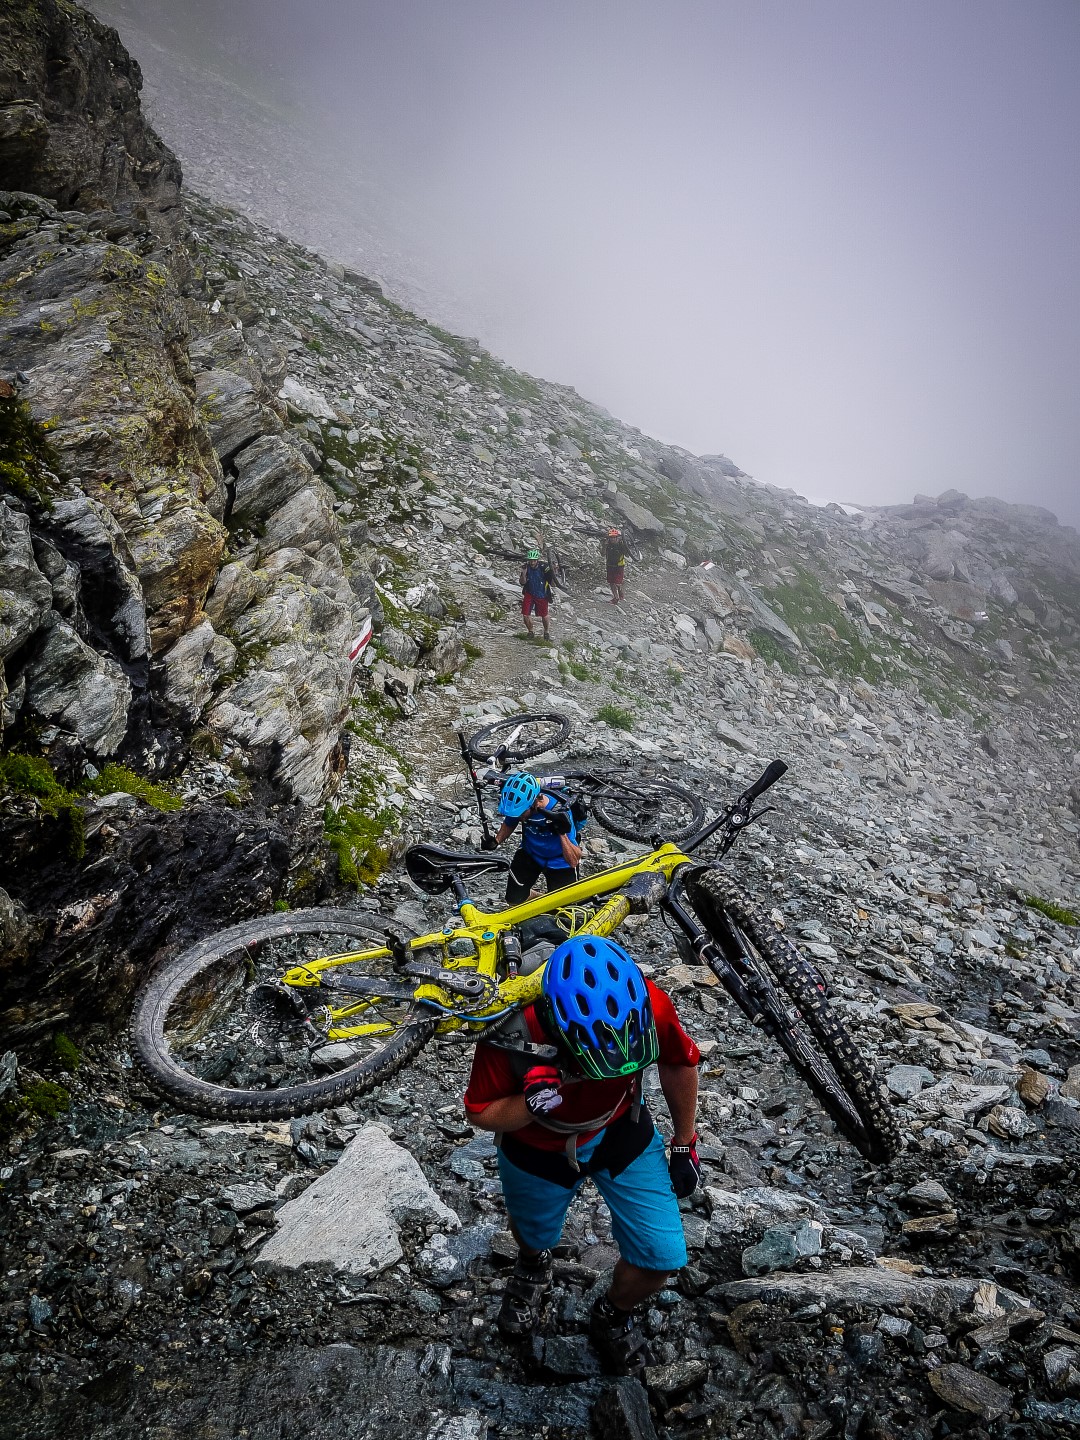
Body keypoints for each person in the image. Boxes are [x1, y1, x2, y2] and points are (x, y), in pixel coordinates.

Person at [464, 934, 701, 1373]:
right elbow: (480, 1111)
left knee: (661, 1256)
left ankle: (613, 1313)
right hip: (537, 1146)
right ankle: (532, 1262)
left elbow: (677, 1061)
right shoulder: (511, 1030)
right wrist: (531, 1103)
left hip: (619, 1128)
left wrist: (685, 1142)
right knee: (534, 1234)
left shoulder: (648, 1004)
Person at [484, 772, 583, 905]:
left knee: (565, 910)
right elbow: (509, 823)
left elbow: (573, 861)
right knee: (514, 900)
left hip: (559, 861)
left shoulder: (560, 811)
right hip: (531, 853)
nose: (518, 817)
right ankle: (542, 900)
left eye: (520, 814)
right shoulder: (520, 806)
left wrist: (562, 833)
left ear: (535, 803)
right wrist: (496, 841)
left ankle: (551, 903)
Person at [520, 548, 555, 640]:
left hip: (542, 594)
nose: (532, 563)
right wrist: (523, 574)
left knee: (544, 615)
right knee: (525, 614)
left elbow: (552, 583)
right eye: (530, 560)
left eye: (534, 560)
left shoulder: (544, 567)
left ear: (537, 560)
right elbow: (522, 583)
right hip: (529, 593)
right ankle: (530, 631)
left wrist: (553, 573)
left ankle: (546, 632)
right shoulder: (526, 567)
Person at [605, 528, 627, 605]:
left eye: (614, 537)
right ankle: (616, 598)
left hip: (619, 566)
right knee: (611, 582)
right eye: (611, 537)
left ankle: (620, 591)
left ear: (617, 537)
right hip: (610, 565)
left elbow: (627, 554)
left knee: (617, 583)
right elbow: (602, 554)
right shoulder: (608, 544)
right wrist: (604, 546)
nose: (612, 539)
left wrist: (625, 547)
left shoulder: (621, 544)